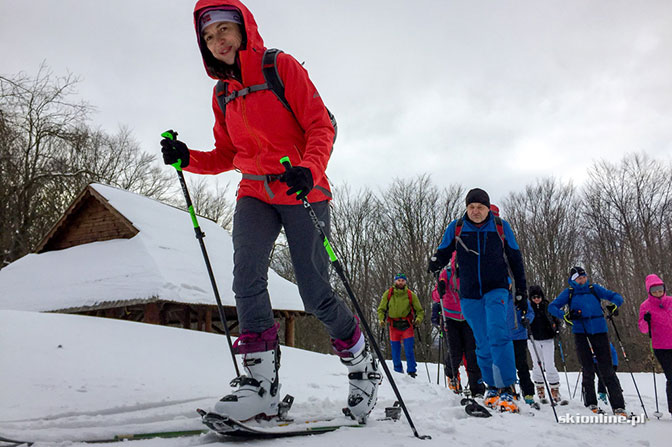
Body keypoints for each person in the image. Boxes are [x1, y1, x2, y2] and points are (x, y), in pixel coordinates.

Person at [160, 0, 381, 423]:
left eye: (224, 29)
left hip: (302, 190)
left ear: (244, 28)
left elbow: (321, 125)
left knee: (316, 295)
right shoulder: (222, 93)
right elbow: (228, 154)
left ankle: (361, 366)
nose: (217, 41)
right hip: (254, 192)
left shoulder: (279, 67)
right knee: (245, 278)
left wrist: (309, 169)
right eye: (208, 36)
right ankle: (261, 385)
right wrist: (187, 157)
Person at [428, 188, 528, 413]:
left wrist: (521, 290)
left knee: (498, 334)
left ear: (487, 208)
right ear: (466, 208)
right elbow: (444, 251)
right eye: (471, 207)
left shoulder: (501, 227)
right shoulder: (457, 228)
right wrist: (435, 261)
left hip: (497, 289)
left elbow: (515, 258)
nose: (475, 211)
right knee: (481, 341)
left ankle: (508, 387)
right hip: (470, 294)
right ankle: (492, 386)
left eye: (480, 207)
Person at [548, 266, 626, 416]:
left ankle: (618, 405)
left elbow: (616, 297)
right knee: (588, 368)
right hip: (581, 332)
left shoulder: (594, 288)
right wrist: (565, 316)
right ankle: (590, 403)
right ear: (573, 280)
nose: (582, 280)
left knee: (607, 368)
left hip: (600, 331)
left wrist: (614, 305)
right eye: (578, 278)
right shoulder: (569, 293)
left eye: (583, 277)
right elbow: (552, 306)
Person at [430, 253, 485, 396]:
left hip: (468, 317)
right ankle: (452, 376)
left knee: (472, 353)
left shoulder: (473, 273)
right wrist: (440, 289)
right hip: (450, 317)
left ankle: (477, 386)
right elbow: (435, 296)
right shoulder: (446, 274)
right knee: (455, 352)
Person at [378, 274, 424, 378]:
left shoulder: (410, 294)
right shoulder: (388, 294)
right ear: (395, 281)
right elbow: (381, 309)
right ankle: (397, 371)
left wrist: (418, 320)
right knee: (395, 351)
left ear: (405, 282)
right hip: (393, 326)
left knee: (409, 350)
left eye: (403, 280)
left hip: (407, 325)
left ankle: (412, 371)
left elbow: (420, 310)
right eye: (399, 280)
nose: (400, 282)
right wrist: (381, 319)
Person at [638, 274, 672, 417]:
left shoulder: (670, 301)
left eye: (660, 290)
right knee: (671, 377)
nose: (658, 293)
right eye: (654, 290)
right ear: (649, 291)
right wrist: (646, 320)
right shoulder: (645, 306)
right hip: (661, 347)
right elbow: (643, 328)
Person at [527, 285, 563, 404]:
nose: (536, 299)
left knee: (549, 364)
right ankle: (540, 387)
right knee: (537, 364)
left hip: (548, 338)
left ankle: (554, 388)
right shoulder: (528, 307)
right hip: (533, 339)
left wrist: (557, 328)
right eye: (534, 297)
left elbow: (556, 319)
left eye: (538, 297)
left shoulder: (548, 306)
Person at [508, 288, 537, 408]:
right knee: (507, 365)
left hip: (519, 335)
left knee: (522, 365)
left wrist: (527, 319)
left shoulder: (520, 297)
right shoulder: (500, 296)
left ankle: (528, 393)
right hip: (504, 336)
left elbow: (530, 312)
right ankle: (509, 389)